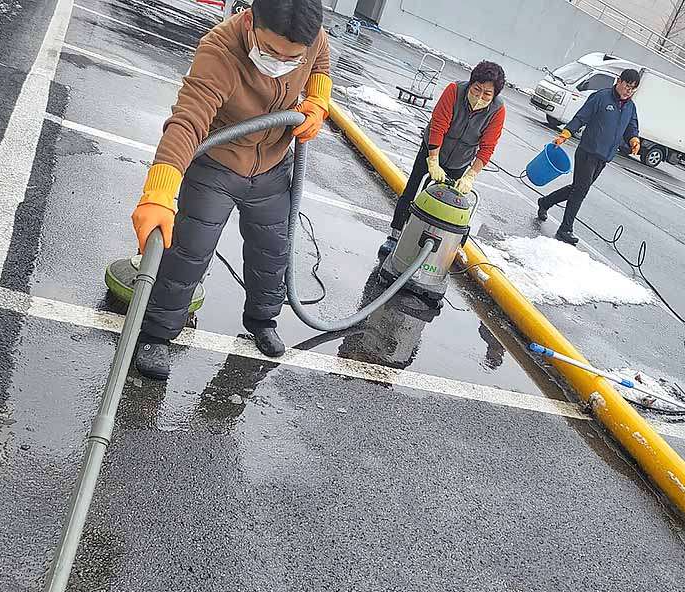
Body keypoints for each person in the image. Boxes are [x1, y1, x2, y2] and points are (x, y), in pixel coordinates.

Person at [130, 0, 332, 380]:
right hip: (216, 166)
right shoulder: (219, 51)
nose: (281, 61)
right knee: (189, 252)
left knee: (272, 251)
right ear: (251, 21)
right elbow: (188, 122)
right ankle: (157, 334)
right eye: (271, 51)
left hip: (272, 166)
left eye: (292, 58)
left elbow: (319, 60)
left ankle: (262, 320)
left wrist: (319, 100)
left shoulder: (311, 36)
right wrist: (159, 190)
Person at [379, 61, 507, 257]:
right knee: (413, 191)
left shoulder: (497, 110)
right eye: (477, 89)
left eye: (487, 94)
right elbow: (438, 127)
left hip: (460, 160)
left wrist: (470, 175)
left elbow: (488, 146)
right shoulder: (455, 91)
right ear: (471, 84)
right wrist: (433, 161)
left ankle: (420, 244)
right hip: (433, 147)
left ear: (494, 95)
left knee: (445, 202)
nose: (480, 97)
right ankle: (395, 235)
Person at [536, 69, 641, 246]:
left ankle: (545, 202)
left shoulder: (630, 107)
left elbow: (631, 127)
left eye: (633, 89)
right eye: (627, 86)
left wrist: (634, 140)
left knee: (577, 189)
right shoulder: (601, 97)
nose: (628, 91)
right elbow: (581, 117)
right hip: (588, 151)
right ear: (619, 81)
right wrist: (565, 133)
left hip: (604, 156)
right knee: (581, 190)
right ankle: (565, 229)